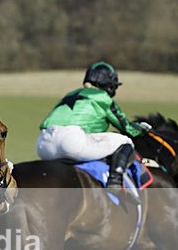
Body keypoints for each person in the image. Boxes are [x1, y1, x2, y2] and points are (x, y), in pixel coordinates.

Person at [36, 61, 150, 202]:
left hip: (43, 143)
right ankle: (115, 181)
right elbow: (127, 128)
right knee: (125, 141)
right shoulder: (103, 98)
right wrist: (143, 128)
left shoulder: (71, 94)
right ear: (109, 85)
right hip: (70, 141)